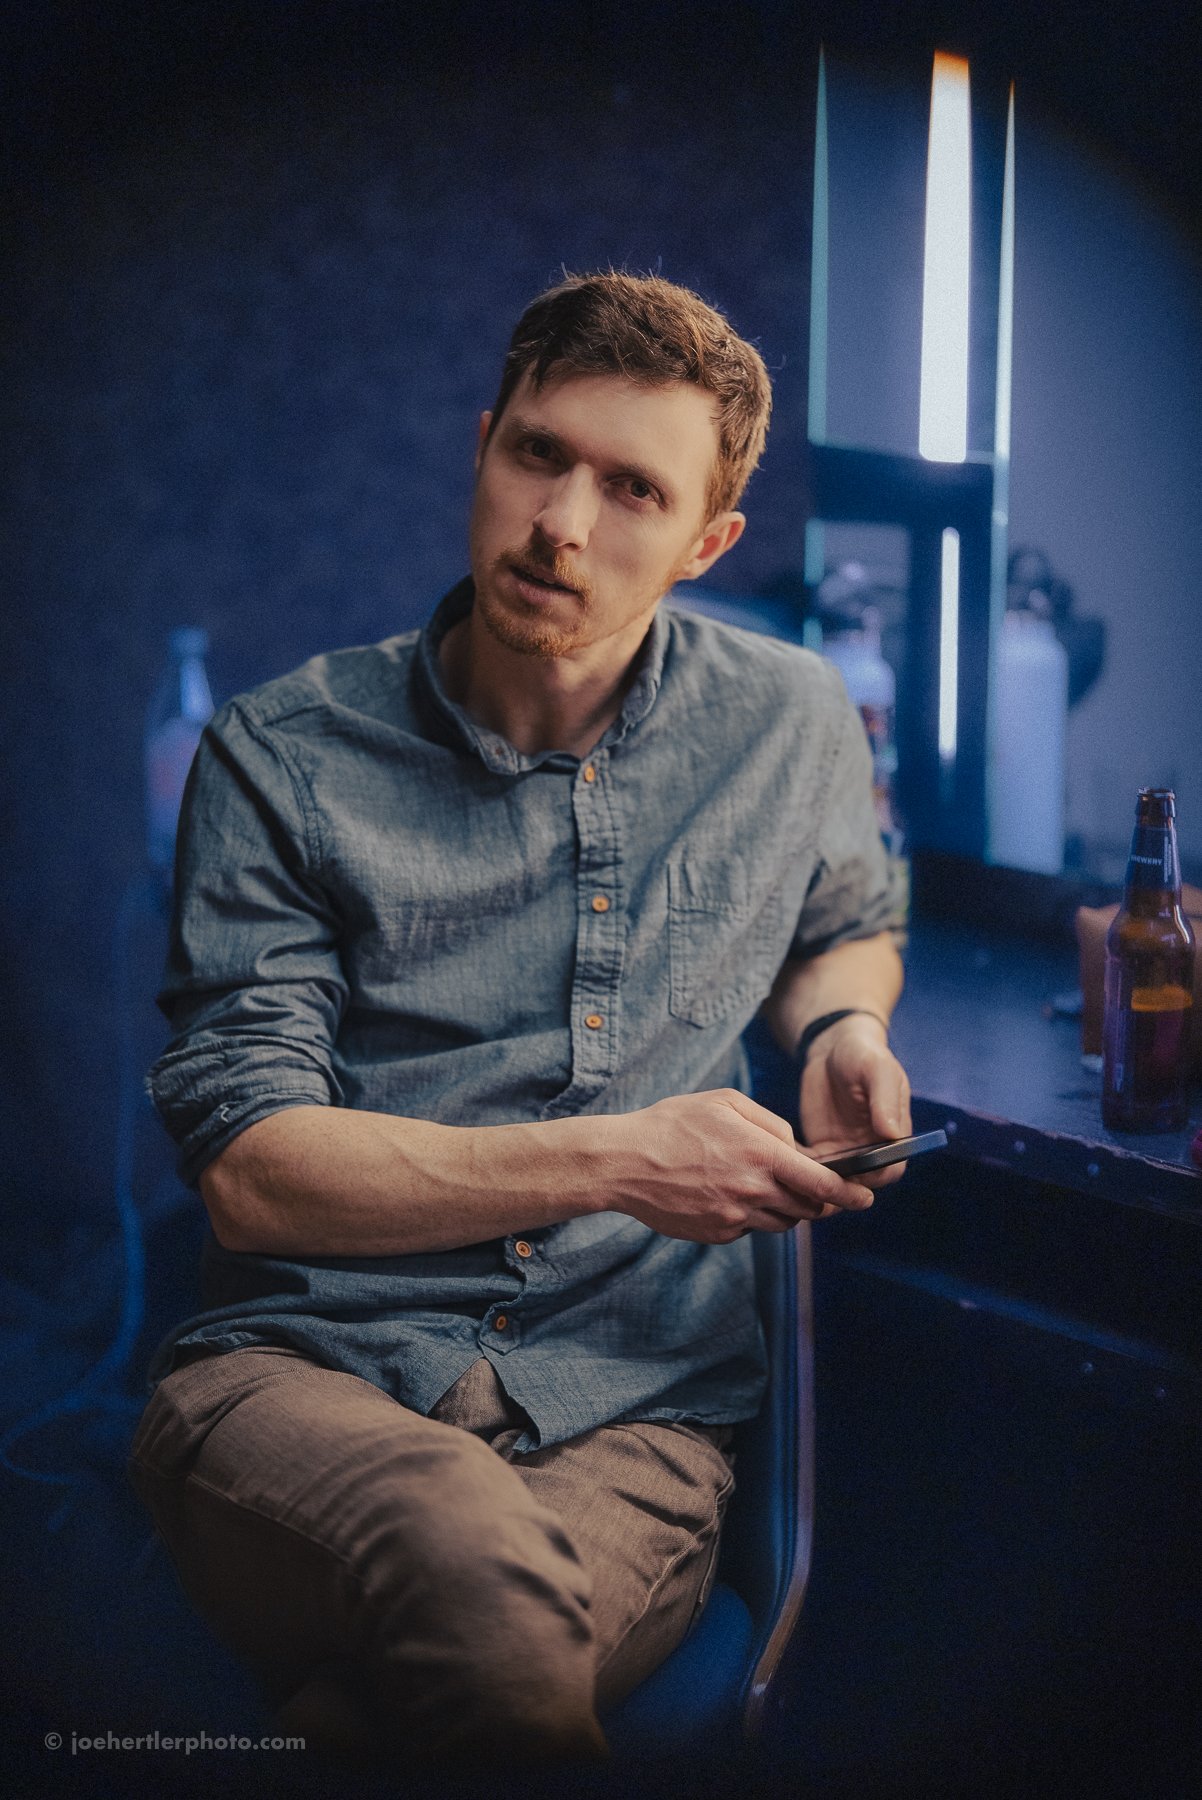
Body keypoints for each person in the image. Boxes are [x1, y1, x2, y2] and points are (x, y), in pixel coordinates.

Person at [129, 270, 911, 1766]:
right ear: (483, 444)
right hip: (300, 1381)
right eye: (539, 454)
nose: (561, 522)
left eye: (634, 490)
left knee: (429, 1691)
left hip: (631, 1417)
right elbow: (254, 1174)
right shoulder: (278, 757)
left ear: (708, 541)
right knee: (473, 1580)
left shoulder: (794, 720)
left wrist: (839, 1034)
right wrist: (621, 1159)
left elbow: (843, 925)